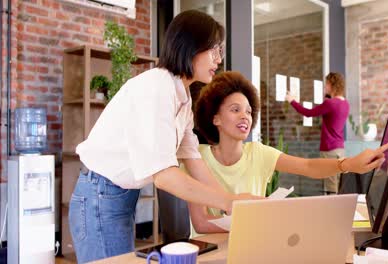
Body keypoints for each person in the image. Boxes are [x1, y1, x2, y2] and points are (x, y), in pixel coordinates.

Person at [69, 11, 259, 263]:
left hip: (117, 195)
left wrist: (233, 205)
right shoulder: (157, 89)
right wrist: (230, 201)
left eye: (219, 51)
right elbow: (164, 176)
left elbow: (193, 160)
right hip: (99, 195)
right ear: (189, 46)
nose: (218, 58)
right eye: (213, 49)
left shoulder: (181, 95)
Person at [188, 71, 388, 234]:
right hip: (208, 253)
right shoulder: (196, 157)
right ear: (215, 118)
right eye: (235, 110)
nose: (245, 116)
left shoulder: (259, 153)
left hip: (250, 247)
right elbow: (201, 223)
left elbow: (307, 166)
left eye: (249, 111)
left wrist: (347, 164)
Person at [286, 72, 350, 194]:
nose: (325, 87)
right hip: (340, 149)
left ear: (332, 85)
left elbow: (308, 113)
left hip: (329, 149)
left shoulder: (330, 104)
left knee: (331, 187)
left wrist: (292, 101)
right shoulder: (345, 104)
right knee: (338, 184)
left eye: (326, 84)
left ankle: (332, 212)